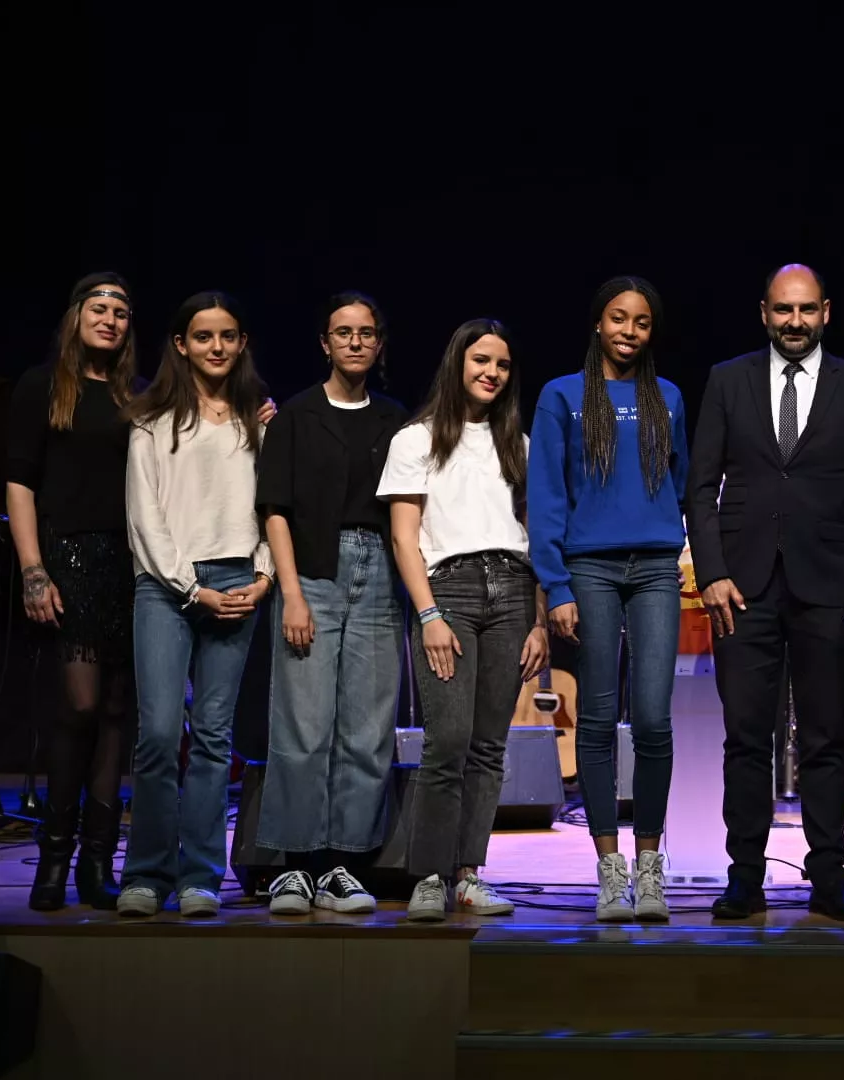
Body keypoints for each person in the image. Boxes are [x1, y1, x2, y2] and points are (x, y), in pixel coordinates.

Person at [688, 264, 844, 923]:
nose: (795, 322)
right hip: (741, 589)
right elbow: (699, 489)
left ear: (827, 312)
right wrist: (713, 571)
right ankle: (745, 876)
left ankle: (828, 878)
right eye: (783, 310)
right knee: (746, 738)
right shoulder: (727, 380)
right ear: (763, 312)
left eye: (806, 310)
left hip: (831, 588)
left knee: (826, 740)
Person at [528, 277, 688, 922]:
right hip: (588, 569)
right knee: (595, 719)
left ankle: (649, 867)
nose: (629, 331)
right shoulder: (561, 396)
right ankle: (608, 868)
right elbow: (546, 496)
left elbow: (675, 484)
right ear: (598, 323)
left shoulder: (669, 398)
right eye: (619, 319)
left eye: (642, 322)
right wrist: (556, 585)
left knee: (651, 718)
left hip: (654, 568)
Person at [379, 318, 547, 921]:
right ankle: (429, 876)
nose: (491, 373)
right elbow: (404, 539)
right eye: (481, 360)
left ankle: (470, 874)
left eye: (502, 365)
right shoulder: (416, 439)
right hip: (447, 590)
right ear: (458, 363)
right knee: (446, 742)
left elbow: (537, 536)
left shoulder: (520, 445)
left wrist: (538, 621)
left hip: (512, 589)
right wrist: (428, 614)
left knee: (487, 747)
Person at [117, 292, 274, 918]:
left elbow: (273, 511)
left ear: (240, 344)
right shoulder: (150, 422)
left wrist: (261, 577)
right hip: (166, 584)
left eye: (228, 336)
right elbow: (144, 516)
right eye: (203, 336)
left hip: (237, 579)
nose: (216, 347)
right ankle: (149, 873)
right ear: (181, 344)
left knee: (213, 738)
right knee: (158, 734)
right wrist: (189, 586)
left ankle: (199, 876)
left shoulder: (258, 422)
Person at [255, 293, 409, 916]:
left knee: (367, 728)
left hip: (378, 575)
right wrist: (291, 593)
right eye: (342, 333)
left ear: (378, 344)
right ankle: (295, 866)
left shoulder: (397, 421)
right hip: (313, 574)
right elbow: (275, 510)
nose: (354, 342)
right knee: (303, 722)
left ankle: (343, 864)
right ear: (324, 342)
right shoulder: (295, 415)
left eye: (366, 333)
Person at [5, 273, 141, 911]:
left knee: (117, 715)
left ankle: (96, 865)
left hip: (128, 564)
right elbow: (20, 482)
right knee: (80, 709)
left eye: (120, 311)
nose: (110, 319)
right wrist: (34, 569)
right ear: (76, 315)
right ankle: (52, 862)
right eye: (99, 307)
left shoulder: (136, 397)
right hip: (69, 558)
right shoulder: (42, 386)